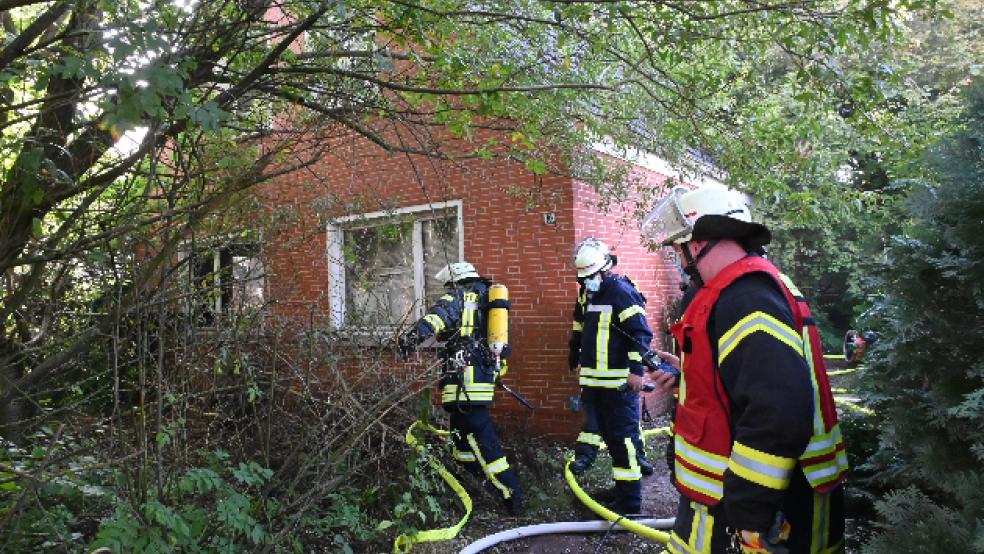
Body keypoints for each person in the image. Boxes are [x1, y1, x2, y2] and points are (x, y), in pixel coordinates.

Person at [642, 184, 849, 553]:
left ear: (698, 242)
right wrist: (688, 376)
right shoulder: (742, 290)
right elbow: (749, 386)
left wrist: (749, 513)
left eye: (678, 248)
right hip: (734, 500)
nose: (678, 259)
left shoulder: (747, 298)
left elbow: (779, 412)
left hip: (764, 509)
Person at [399, 261, 523, 516]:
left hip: (465, 383)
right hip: (478, 380)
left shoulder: (460, 294)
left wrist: (410, 339)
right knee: (460, 440)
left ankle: (512, 495)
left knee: (485, 443)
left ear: (454, 282)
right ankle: (471, 488)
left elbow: (437, 317)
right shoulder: (488, 296)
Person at [568, 237, 655, 514]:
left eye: (591, 276)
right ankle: (620, 491)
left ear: (605, 269)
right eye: (583, 278)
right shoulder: (588, 293)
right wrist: (576, 356)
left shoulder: (621, 291)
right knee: (609, 437)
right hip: (595, 382)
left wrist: (635, 372)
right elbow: (581, 327)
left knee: (623, 440)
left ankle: (630, 504)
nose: (587, 282)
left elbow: (640, 333)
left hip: (618, 383)